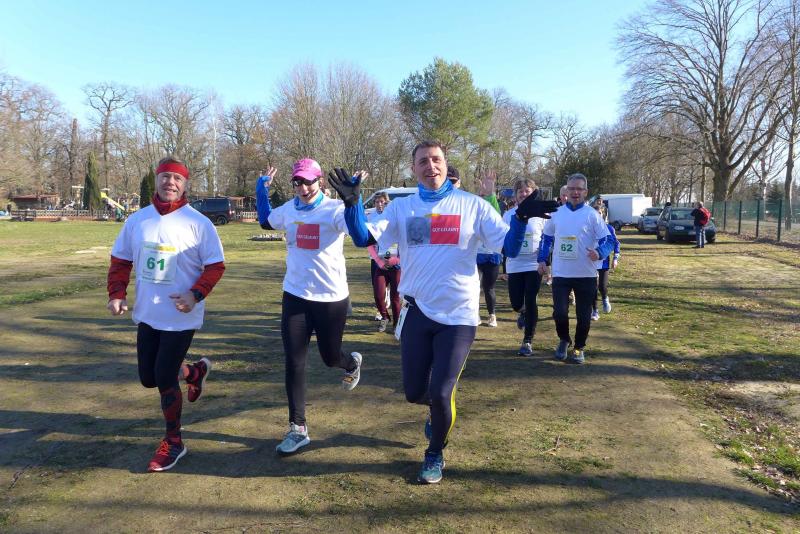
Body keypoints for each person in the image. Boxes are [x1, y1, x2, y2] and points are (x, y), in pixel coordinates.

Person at [327, 140, 558, 484]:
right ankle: (437, 410)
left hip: (459, 315)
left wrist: (522, 216)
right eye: (423, 161)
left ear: (446, 165)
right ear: (413, 168)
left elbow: (508, 247)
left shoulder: (472, 205)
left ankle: (434, 453)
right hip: (417, 311)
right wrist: (352, 204)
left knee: (440, 392)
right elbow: (364, 238)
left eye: (436, 160)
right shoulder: (402, 208)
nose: (430, 166)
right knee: (413, 392)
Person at [106, 156, 225, 472]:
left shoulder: (198, 223)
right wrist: (117, 293)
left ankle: (174, 442)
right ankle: (194, 372)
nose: (170, 182)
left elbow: (215, 266)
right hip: (148, 313)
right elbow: (120, 260)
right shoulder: (138, 220)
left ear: (185, 184)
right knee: (149, 377)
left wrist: (195, 294)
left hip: (181, 314)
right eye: (165, 176)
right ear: (156, 179)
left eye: (177, 178)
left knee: (163, 377)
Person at [256, 158, 364, 456]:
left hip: (330, 298)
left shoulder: (334, 210)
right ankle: (298, 428)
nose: (303, 188)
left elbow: (359, 236)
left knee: (330, 357)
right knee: (294, 362)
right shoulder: (289, 210)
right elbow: (265, 220)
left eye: (308, 182)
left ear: (320, 182)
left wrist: (354, 203)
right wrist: (261, 189)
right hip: (295, 296)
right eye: (298, 182)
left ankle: (351, 363)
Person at [537, 173, 613, 364]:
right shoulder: (557, 213)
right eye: (571, 189)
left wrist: (600, 252)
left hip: (586, 274)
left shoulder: (592, 215)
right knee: (559, 313)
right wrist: (542, 259)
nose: (575, 192)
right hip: (561, 273)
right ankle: (564, 339)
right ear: (566, 191)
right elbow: (546, 238)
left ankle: (579, 347)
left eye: (579, 189)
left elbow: (609, 240)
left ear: (585, 192)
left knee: (584, 316)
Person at [503, 178, 547, 355]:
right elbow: (503, 240)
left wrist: (544, 260)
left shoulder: (541, 215)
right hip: (514, 263)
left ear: (533, 193)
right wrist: (503, 267)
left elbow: (547, 239)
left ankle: (528, 340)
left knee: (530, 299)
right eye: (520, 191)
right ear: (515, 195)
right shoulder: (508, 215)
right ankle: (522, 312)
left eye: (527, 190)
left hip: (534, 264)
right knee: (516, 303)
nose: (523, 193)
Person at [367, 192, 400, 333]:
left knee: (395, 297)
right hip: (379, 264)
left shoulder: (397, 219)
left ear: (388, 204)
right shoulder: (372, 218)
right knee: (379, 294)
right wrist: (380, 262)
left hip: (396, 265)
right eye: (377, 202)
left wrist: (394, 260)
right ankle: (384, 317)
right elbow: (369, 244)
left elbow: (404, 244)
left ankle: (397, 324)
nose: (380, 205)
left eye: (383, 202)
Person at [590, 204, 620, 321]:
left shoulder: (609, 228)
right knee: (592, 287)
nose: (597, 216)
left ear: (603, 215)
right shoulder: (587, 228)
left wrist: (615, 258)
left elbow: (616, 243)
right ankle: (595, 311)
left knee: (602, 286)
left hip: (603, 262)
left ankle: (605, 298)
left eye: (600, 214)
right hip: (590, 262)